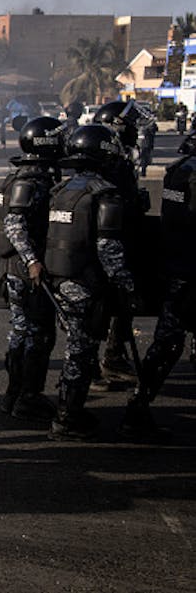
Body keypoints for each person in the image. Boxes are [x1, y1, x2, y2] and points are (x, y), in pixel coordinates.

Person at [44, 123, 140, 441]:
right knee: (80, 352)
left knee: (76, 348)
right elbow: (107, 247)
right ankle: (68, 416)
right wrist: (126, 284)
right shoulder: (103, 194)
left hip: (59, 283)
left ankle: (69, 410)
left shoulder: (62, 191)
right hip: (85, 286)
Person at [119, 129, 196, 440]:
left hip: (177, 266)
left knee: (167, 342)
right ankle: (137, 410)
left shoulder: (178, 170)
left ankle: (138, 405)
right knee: (168, 343)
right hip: (190, 269)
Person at [0, 116, 63, 422]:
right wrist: (33, 261)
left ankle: (15, 394)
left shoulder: (19, 176)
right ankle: (27, 396)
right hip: (25, 272)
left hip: (15, 268)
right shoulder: (29, 181)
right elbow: (14, 224)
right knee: (38, 335)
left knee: (22, 332)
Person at [89, 100, 152, 390]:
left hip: (119, 245)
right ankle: (95, 364)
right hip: (103, 249)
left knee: (121, 306)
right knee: (100, 308)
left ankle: (112, 357)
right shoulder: (106, 166)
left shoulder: (119, 161)